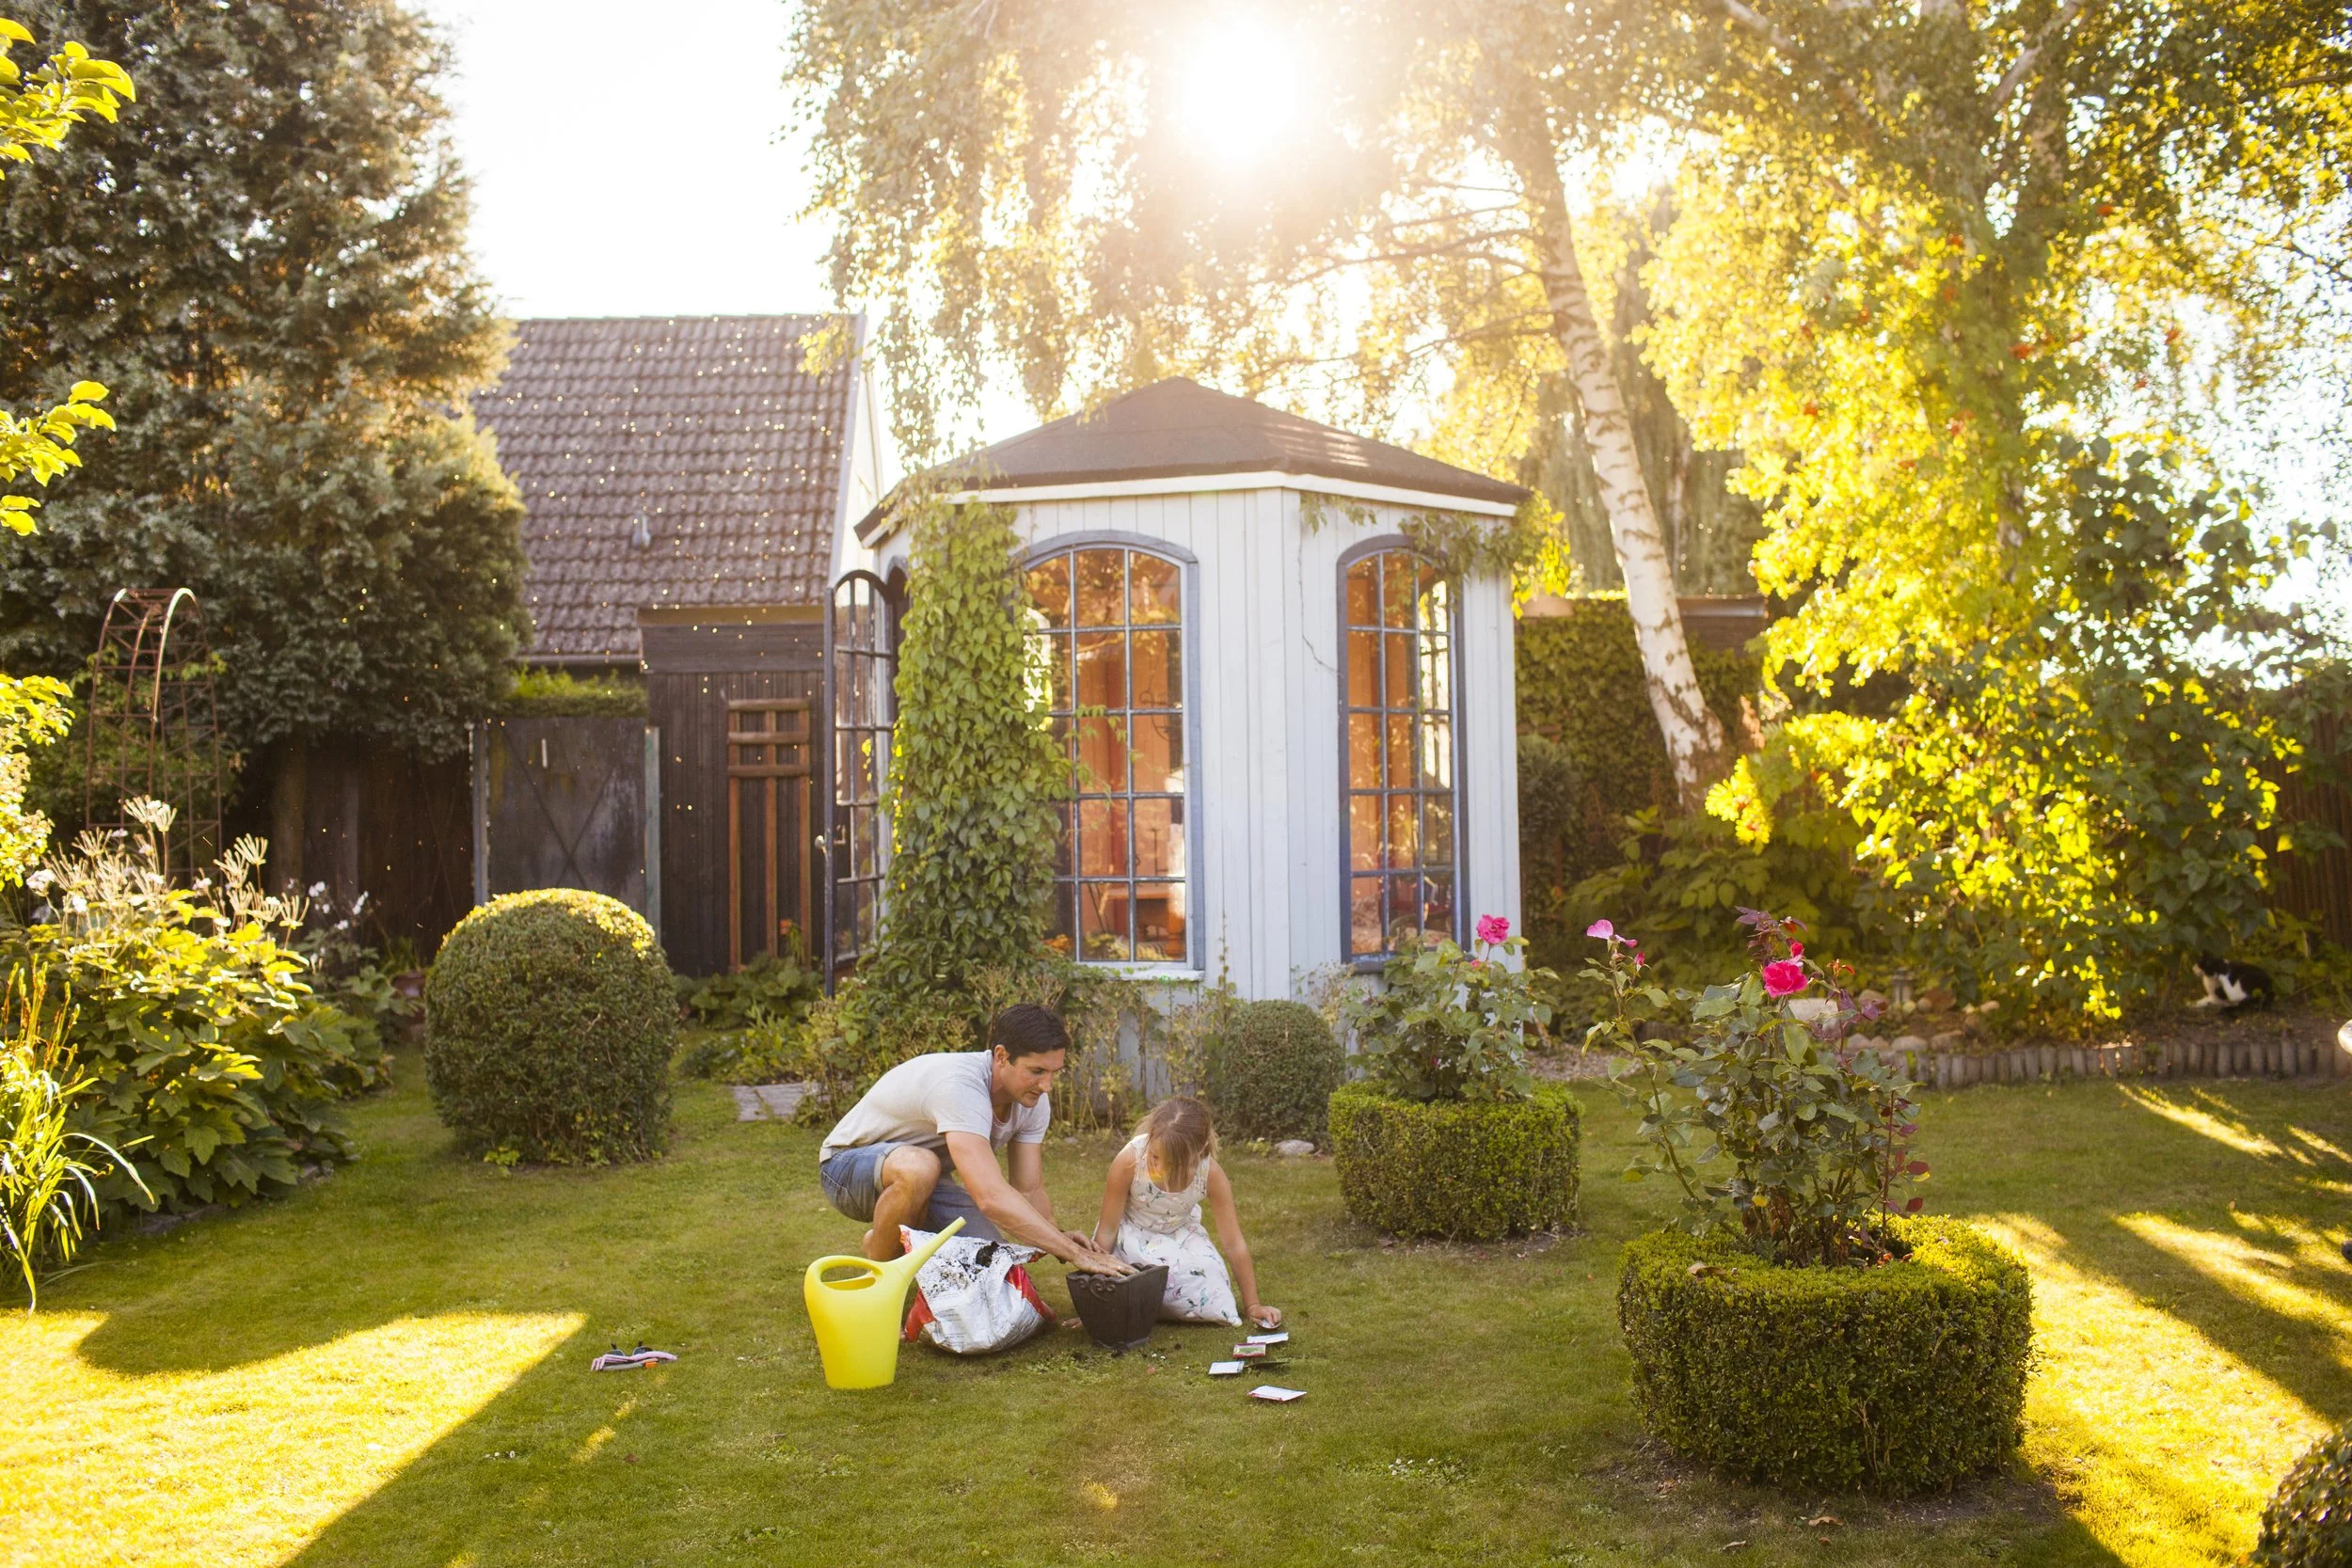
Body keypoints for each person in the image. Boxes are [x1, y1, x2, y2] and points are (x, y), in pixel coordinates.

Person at [818, 1002, 1131, 1275]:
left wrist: (1057, 1236)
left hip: (924, 1178)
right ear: (1001, 1056)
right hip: (845, 1169)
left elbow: (1028, 1189)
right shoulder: (960, 1086)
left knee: (991, 1259)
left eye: (1054, 1073)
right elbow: (991, 1197)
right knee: (920, 1167)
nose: (1047, 1085)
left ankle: (883, 1239)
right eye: (1037, 1071)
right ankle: (880, 1282)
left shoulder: (1032, 1101)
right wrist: (1076, 1254)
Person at [1090, 1097, 1281, 1329]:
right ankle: (1144, 1299)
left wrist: (1253, 1305)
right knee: (1147, 1276)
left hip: (1180, 1235)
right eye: (1154, 1156)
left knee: (1212, 1282)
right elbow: (1108, 1230)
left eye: (1168, 1162)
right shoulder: (1130, 1160)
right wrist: (1094, 1302)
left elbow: (1233, 1242)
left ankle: (1145, 1302)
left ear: (1194, 1155)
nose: (1157, 1167)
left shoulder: (1209, 1173)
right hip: (1133, 1238)